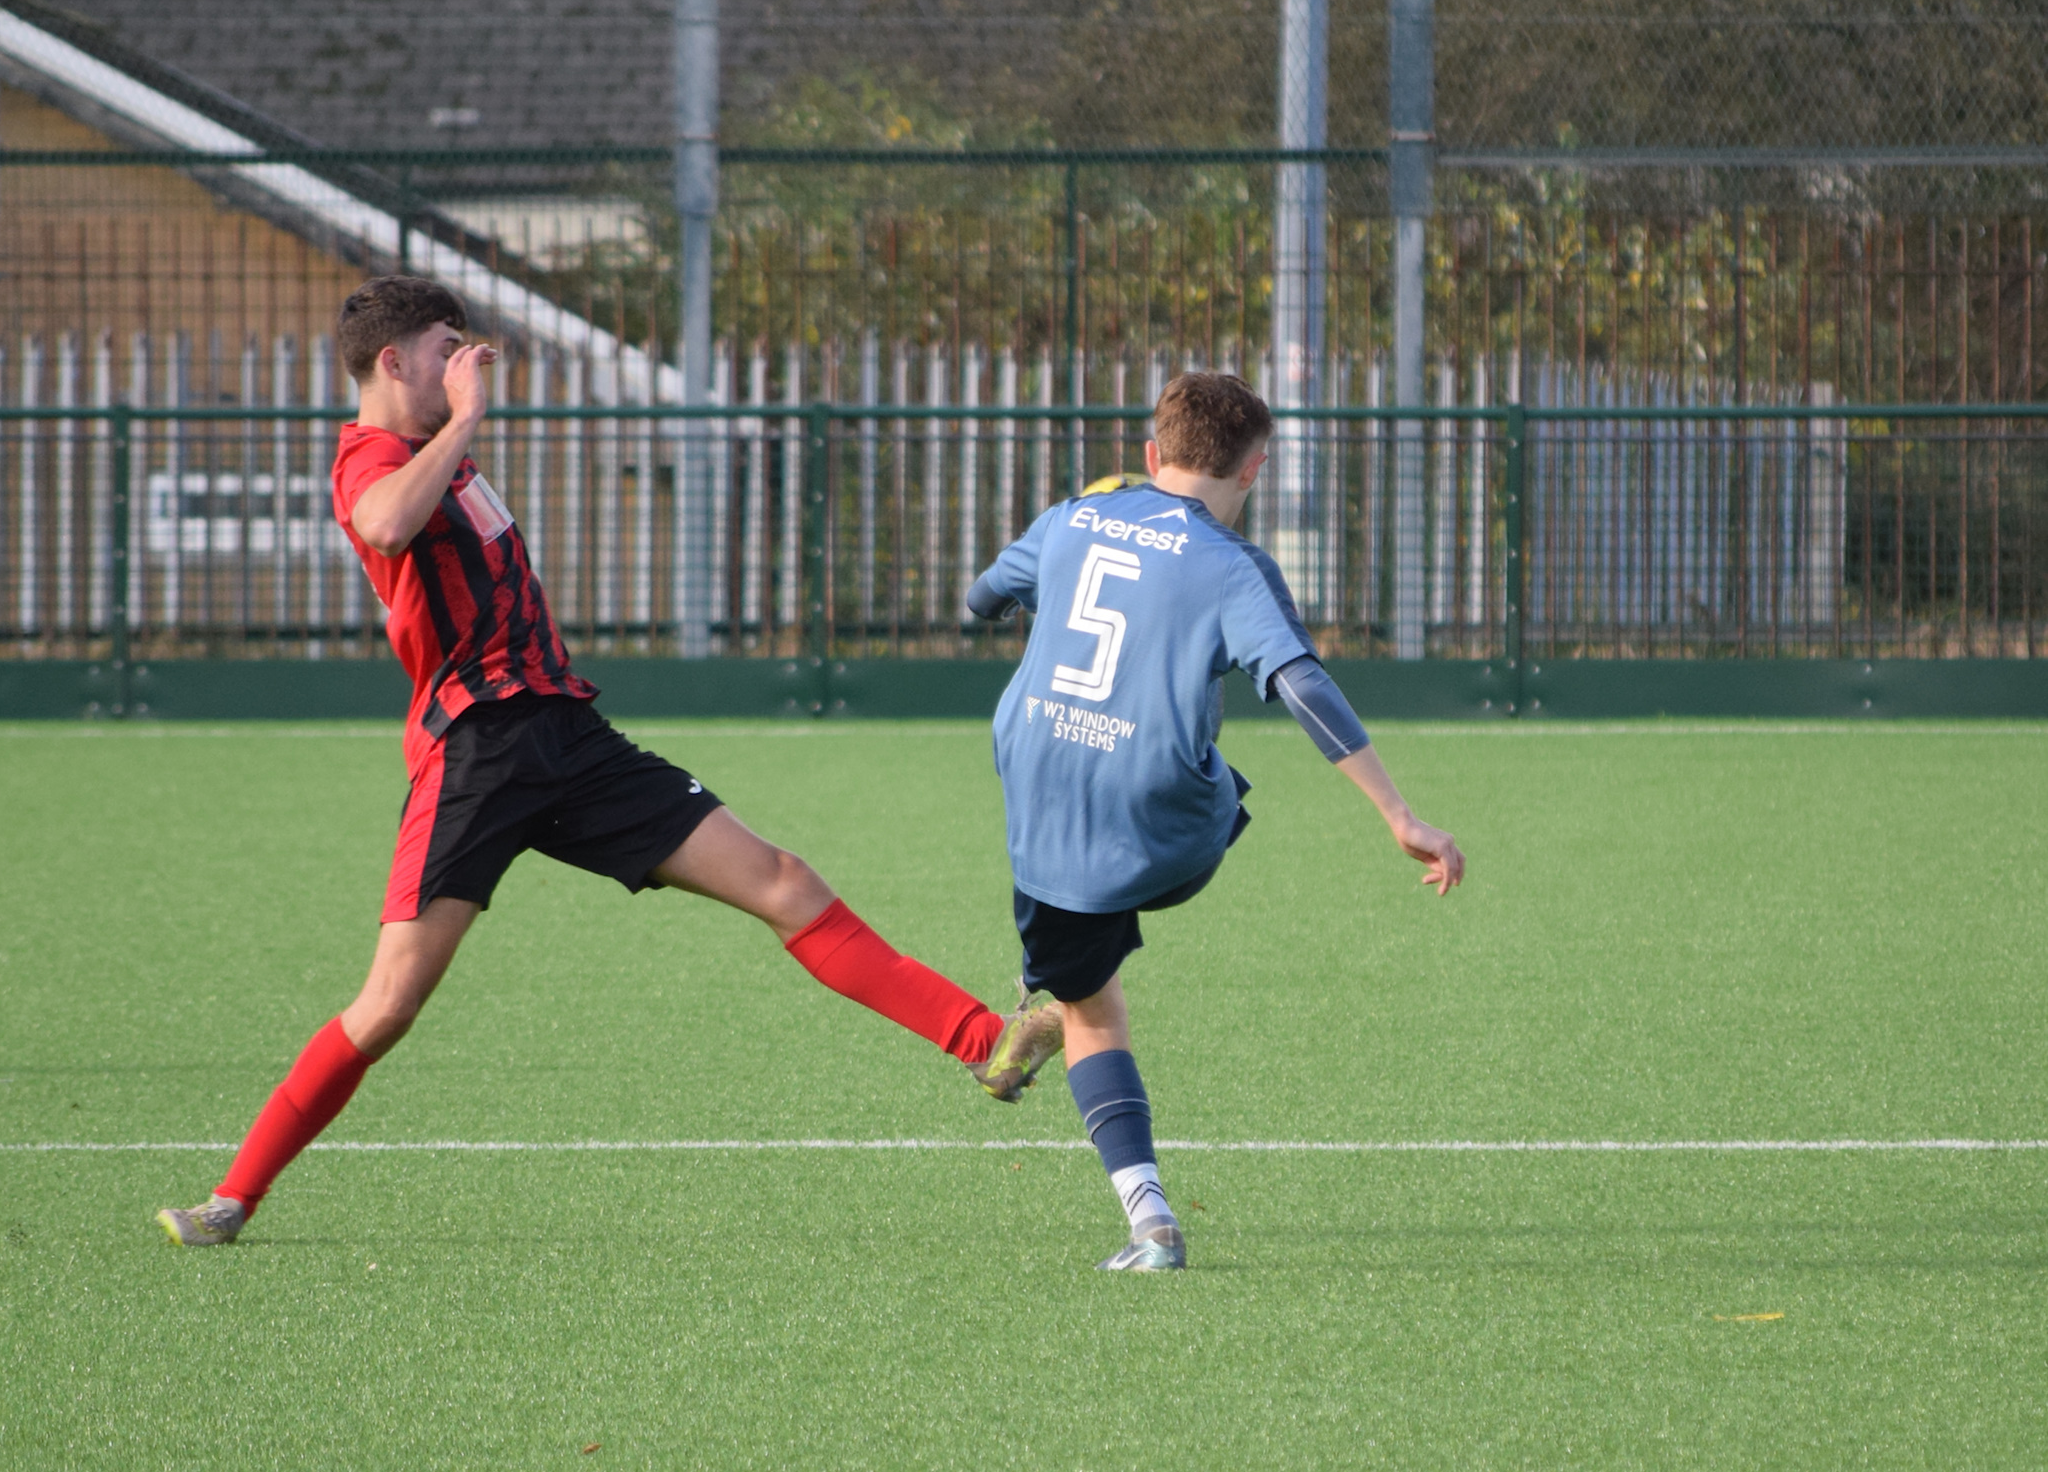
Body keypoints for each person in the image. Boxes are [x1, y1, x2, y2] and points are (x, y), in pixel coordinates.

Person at [158, 276, 1060, 1246]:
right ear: (392, 362)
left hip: (567, 736)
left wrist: (457, 426)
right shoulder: (375, 454)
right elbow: (380, 526)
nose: (464, 366)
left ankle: (985, 1043)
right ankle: (232, 1198)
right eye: (445, 349)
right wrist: (464, 421)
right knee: (387, 1006)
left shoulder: (437, 452)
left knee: (781, 880)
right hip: (479, 756)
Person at [964, 372, 1465, 1272]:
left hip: (1038, 796)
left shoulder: (1073, 518)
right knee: (1171, 805)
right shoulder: (1235, 565)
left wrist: (1054, 557)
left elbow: (980, 598)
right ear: (1255, 469)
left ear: (1152, 454)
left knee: (1090, 1004)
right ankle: (1064, 1021)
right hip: (1177, 823)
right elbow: (1302, 685)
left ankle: (1142, 1203)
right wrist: (1399, 814)